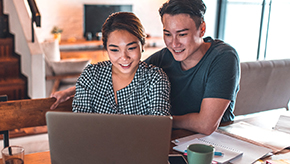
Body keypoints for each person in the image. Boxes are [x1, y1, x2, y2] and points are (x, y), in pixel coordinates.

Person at [51, 0, 240, 135]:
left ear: (202, 29)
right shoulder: (165, 57)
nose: (174, 43)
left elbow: (206, 125)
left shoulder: (223, 57)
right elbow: (126, 67)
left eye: (181, 34)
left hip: (218, 140)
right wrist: (73, 90)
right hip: (175, 137)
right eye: (167, 34)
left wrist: (158, 121)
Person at [67, 12, 171, 116]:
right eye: (114, 50)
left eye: (131, 48)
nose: (124, 57)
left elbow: (159, 124)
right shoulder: (91, 75)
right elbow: (80, 122)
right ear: (106, 49)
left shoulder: (155, 78)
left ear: (142, 45)